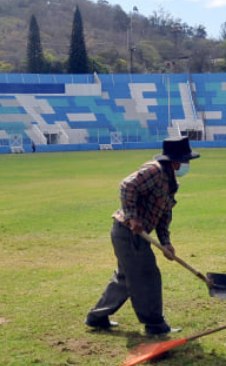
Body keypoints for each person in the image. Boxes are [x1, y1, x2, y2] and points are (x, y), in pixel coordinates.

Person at [85, 137, 199, 336]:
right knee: (148, 276)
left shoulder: (172, 182)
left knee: (125, 278)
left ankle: (96, 317)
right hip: (127, 232)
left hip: (138, 234)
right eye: (186, 161)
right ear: (175, 161)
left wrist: (166, 243)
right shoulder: (154, 170)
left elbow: (164, 214)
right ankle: (155, 325)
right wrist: (132, 217)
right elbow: (126, 186)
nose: (187, 165)